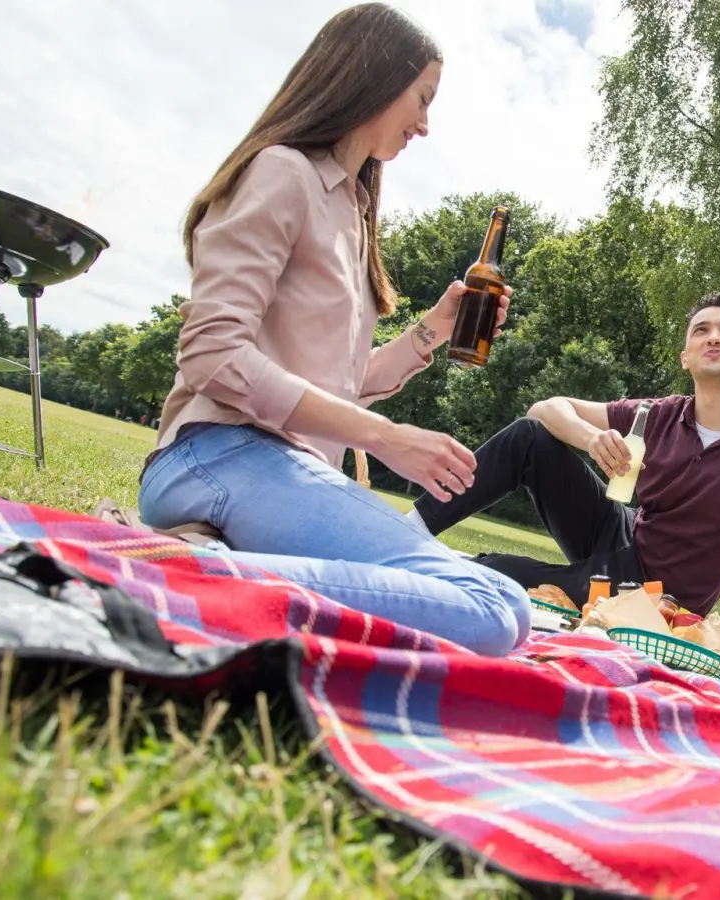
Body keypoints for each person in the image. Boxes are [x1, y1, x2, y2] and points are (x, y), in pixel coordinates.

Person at [136, 4, 529, 657]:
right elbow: (213, 354)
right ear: (373, 77)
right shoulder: (281, 171)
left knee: (507, 605)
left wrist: (431, 332)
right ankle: (182, 569)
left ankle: (210, 565)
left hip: (278, 466)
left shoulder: (351, 209)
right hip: (216, 453)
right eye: (422, 99)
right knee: (489, 608)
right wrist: (386, 439)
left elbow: (335, 387)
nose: (426, 126)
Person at [409, 293, 720, 633]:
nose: (714, 337)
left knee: (495, 572)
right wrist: (591, 438)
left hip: (651, 595)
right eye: (701, 330)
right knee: (529, 437)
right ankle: (408, 531)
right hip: (625, 533)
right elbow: (545, 408)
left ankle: (436, 569)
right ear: (685, 358)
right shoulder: (658, 414)